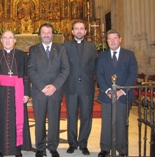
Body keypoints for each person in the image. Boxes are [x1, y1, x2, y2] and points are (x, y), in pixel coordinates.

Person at [27, 23, 70, 157]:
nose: (46, 35)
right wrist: (41, 87)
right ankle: (40, 147)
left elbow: (65, 69)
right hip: (39, 91)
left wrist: (54, 86)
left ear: (52, 34)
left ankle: (52, 147)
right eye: (43, 32)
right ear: (40, 35)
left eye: (48, 32)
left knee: (54, 119)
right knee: (39, 120)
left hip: (55, 91)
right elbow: (31, 69)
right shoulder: (33, 49)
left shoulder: (61, 49)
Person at [0, 30, 32, 157]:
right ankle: (1, 149)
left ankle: (17, 149)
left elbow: (26, 75)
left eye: (10, 38)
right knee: (1, 119)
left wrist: (26, 93)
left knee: (17, 119)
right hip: (0, 92)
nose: (7, 40)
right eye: (5, 38)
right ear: (1, 40)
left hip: (17, 91)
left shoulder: (21, 55)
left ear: (15, 40)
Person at [96, 29, 138, 157]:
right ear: (107, 41)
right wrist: (108, 90)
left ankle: (122, 149)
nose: (112, 41)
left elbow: (132, 74)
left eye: (115, 38)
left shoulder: (129, 55)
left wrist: (122, 90)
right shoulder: (102, 56)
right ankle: (105, 148)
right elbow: (99, 75)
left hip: (123, 96)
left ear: (120, 39)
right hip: (107, 95)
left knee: (121, 122)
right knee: (107, 122)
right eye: (110, 39)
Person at [63, 20, 97, 155]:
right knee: (71, 116)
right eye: (76, 29)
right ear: (72, 32)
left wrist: (92, 80)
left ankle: (83, 143)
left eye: (81, 29)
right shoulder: (65, 46)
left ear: (85, 31)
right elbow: (63, 66)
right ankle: (72, 143)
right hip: (71, 86)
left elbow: (95, 66)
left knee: (86, 116)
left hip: (87, 87)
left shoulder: (92, 47)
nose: (79, 31)